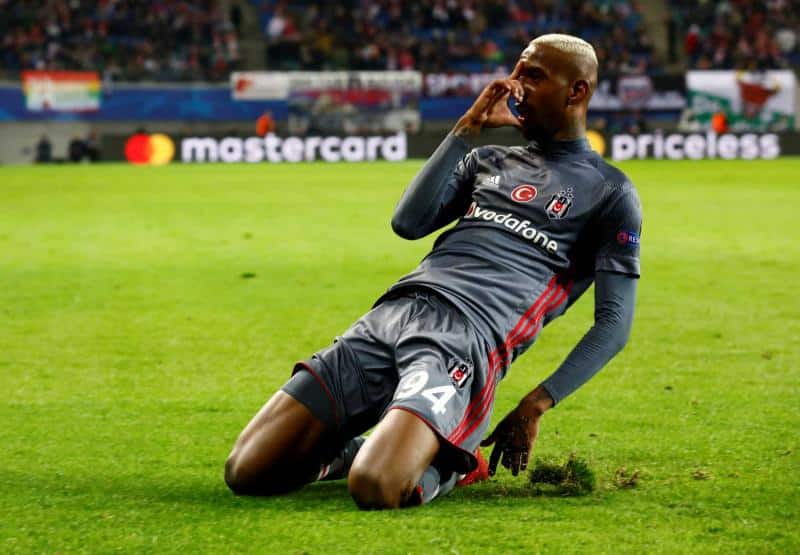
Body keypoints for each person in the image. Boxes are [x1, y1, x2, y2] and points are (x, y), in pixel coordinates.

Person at [225, 33, 641, 509]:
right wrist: (466, 129)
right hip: (393, 314)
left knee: (376, 486)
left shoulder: (610, 193)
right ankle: (354, 453)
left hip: (465, 340)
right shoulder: (488, 160)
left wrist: (536, 403)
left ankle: (450, 464)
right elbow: (407, 223)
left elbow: (614, 323)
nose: (514, 85)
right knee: (248, 471)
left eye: (533, 75)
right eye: (516, 71)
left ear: (577, 91)